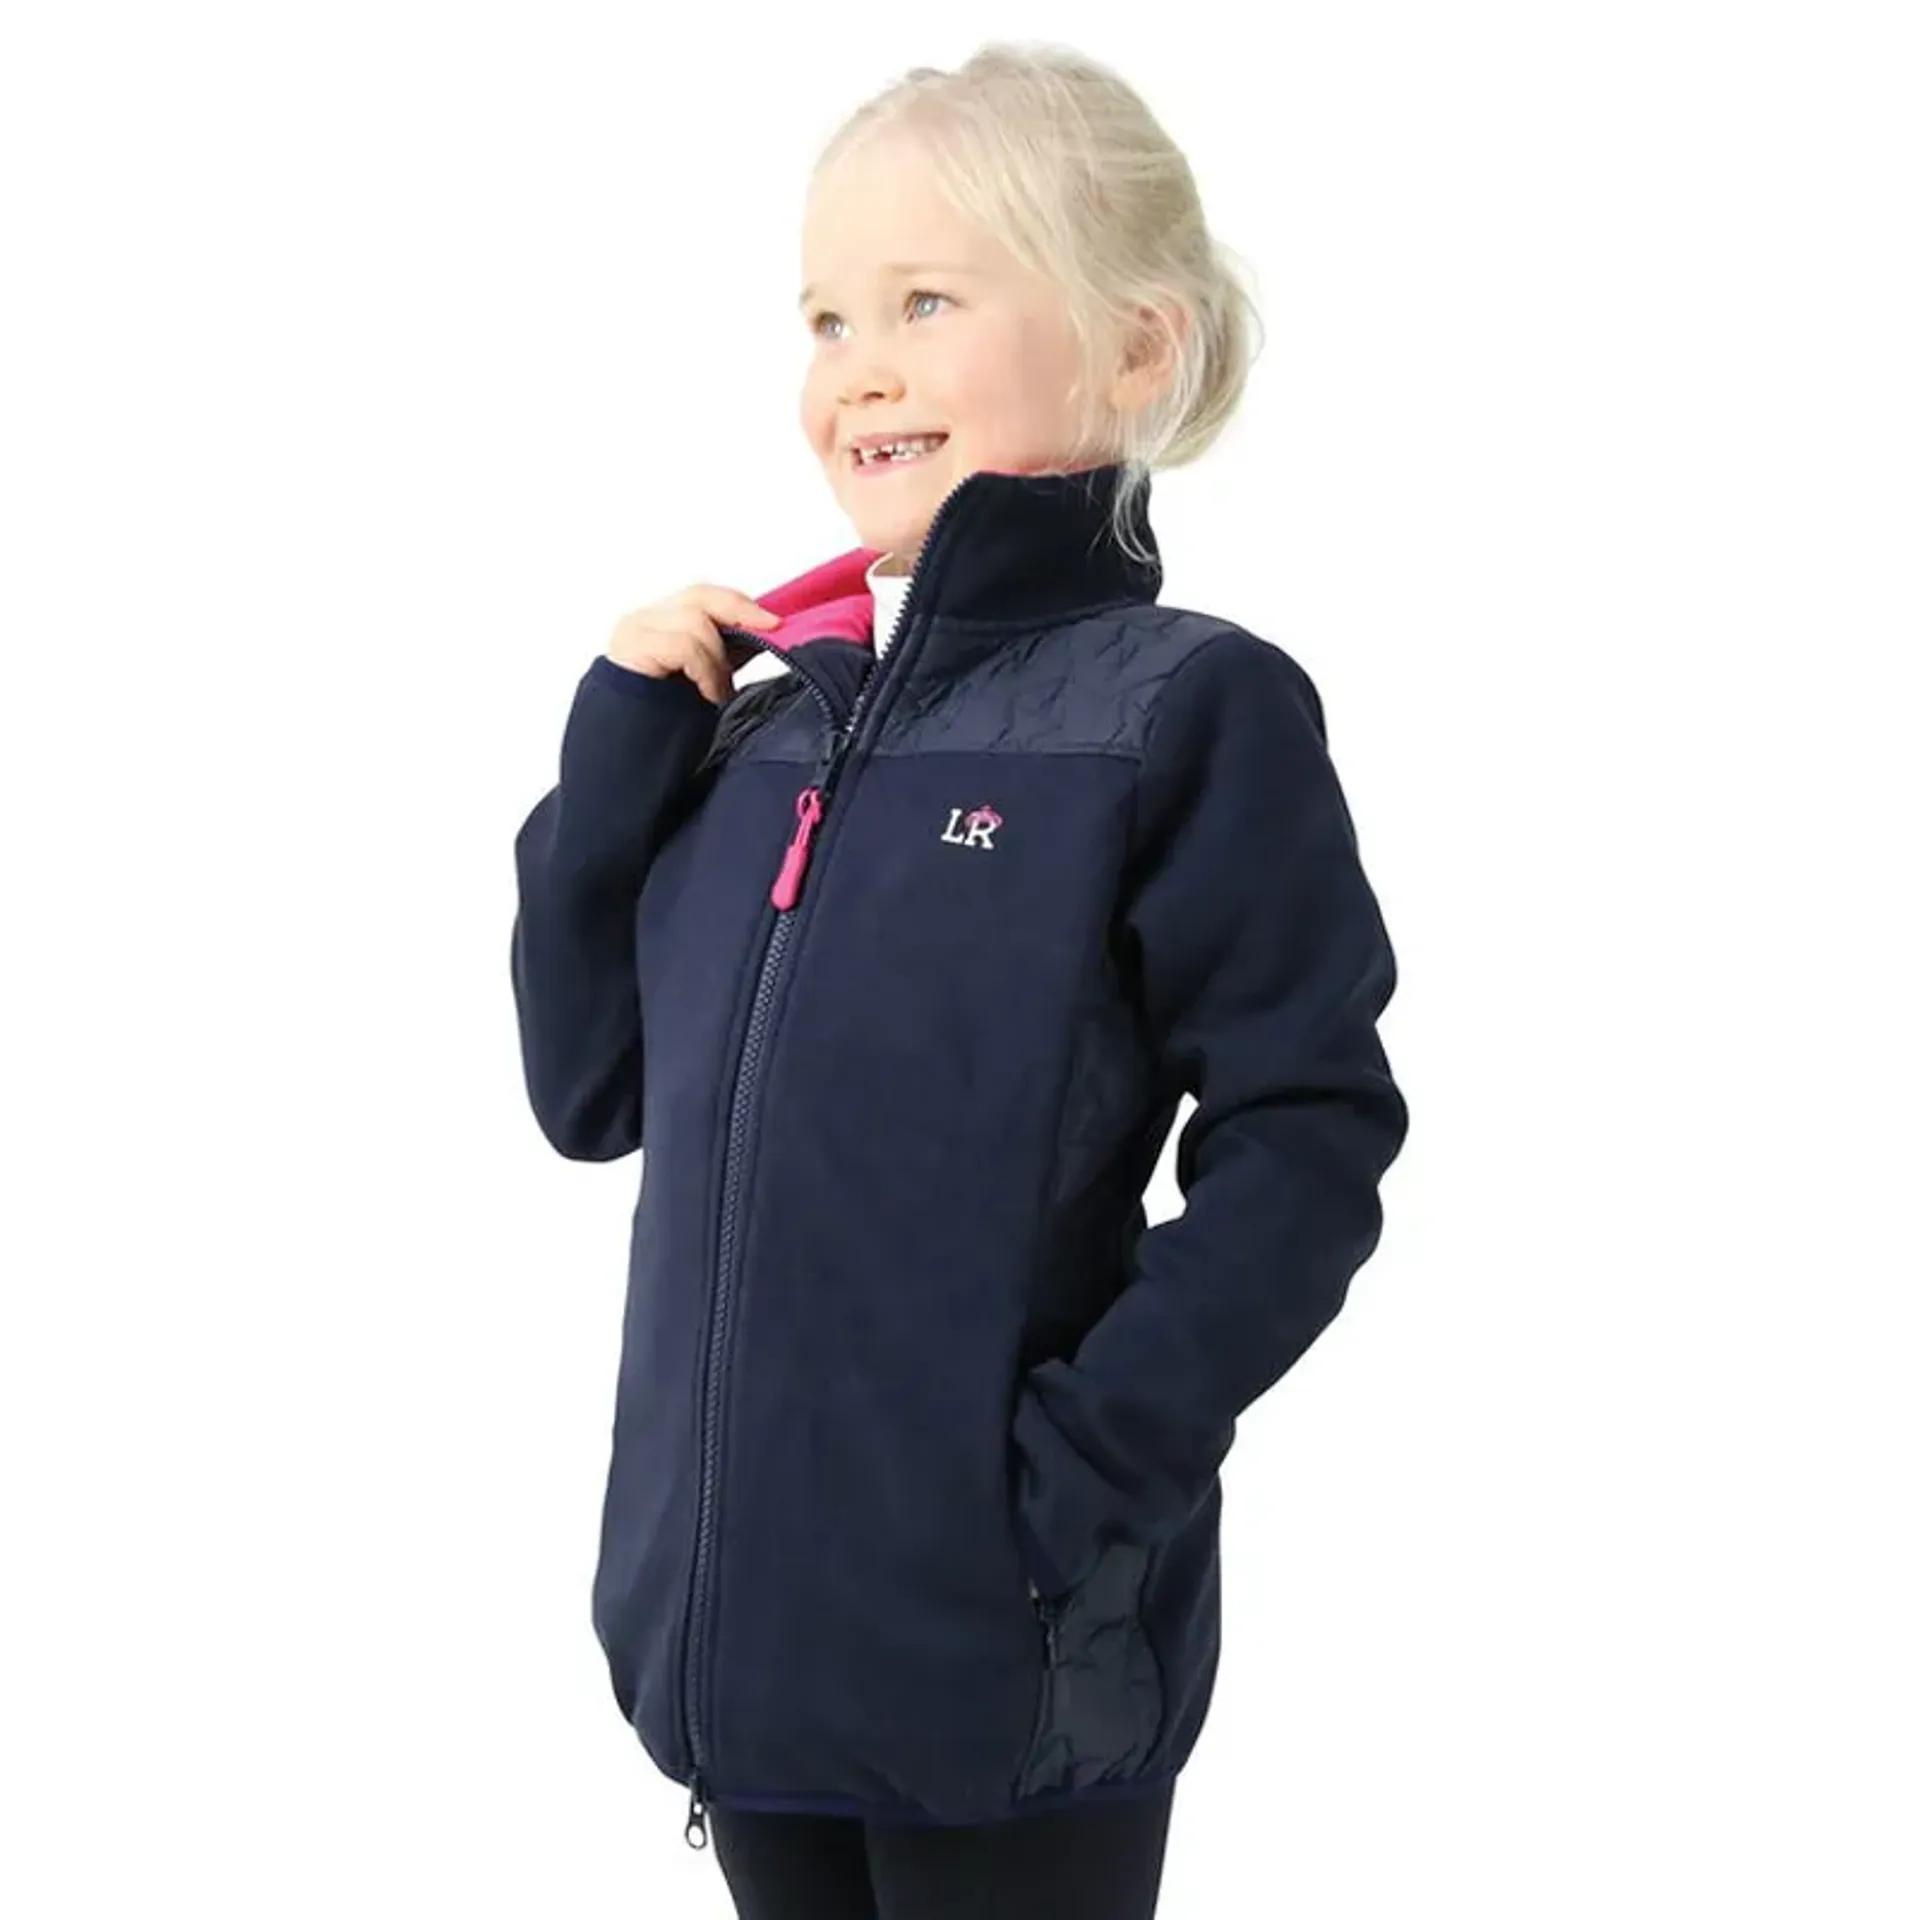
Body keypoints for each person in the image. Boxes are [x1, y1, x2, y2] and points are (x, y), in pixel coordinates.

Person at [509, 41, 1409, 1920]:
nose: (860, 366)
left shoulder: (1182, 712)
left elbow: (1309, 1138)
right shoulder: (759, 729)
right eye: (827, 317)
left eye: (926, 301)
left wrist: (1073, 1478)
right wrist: (614, 761)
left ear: (1135, 349)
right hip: (744, 1640)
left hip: (1012, 1647)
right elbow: (591, 1093)